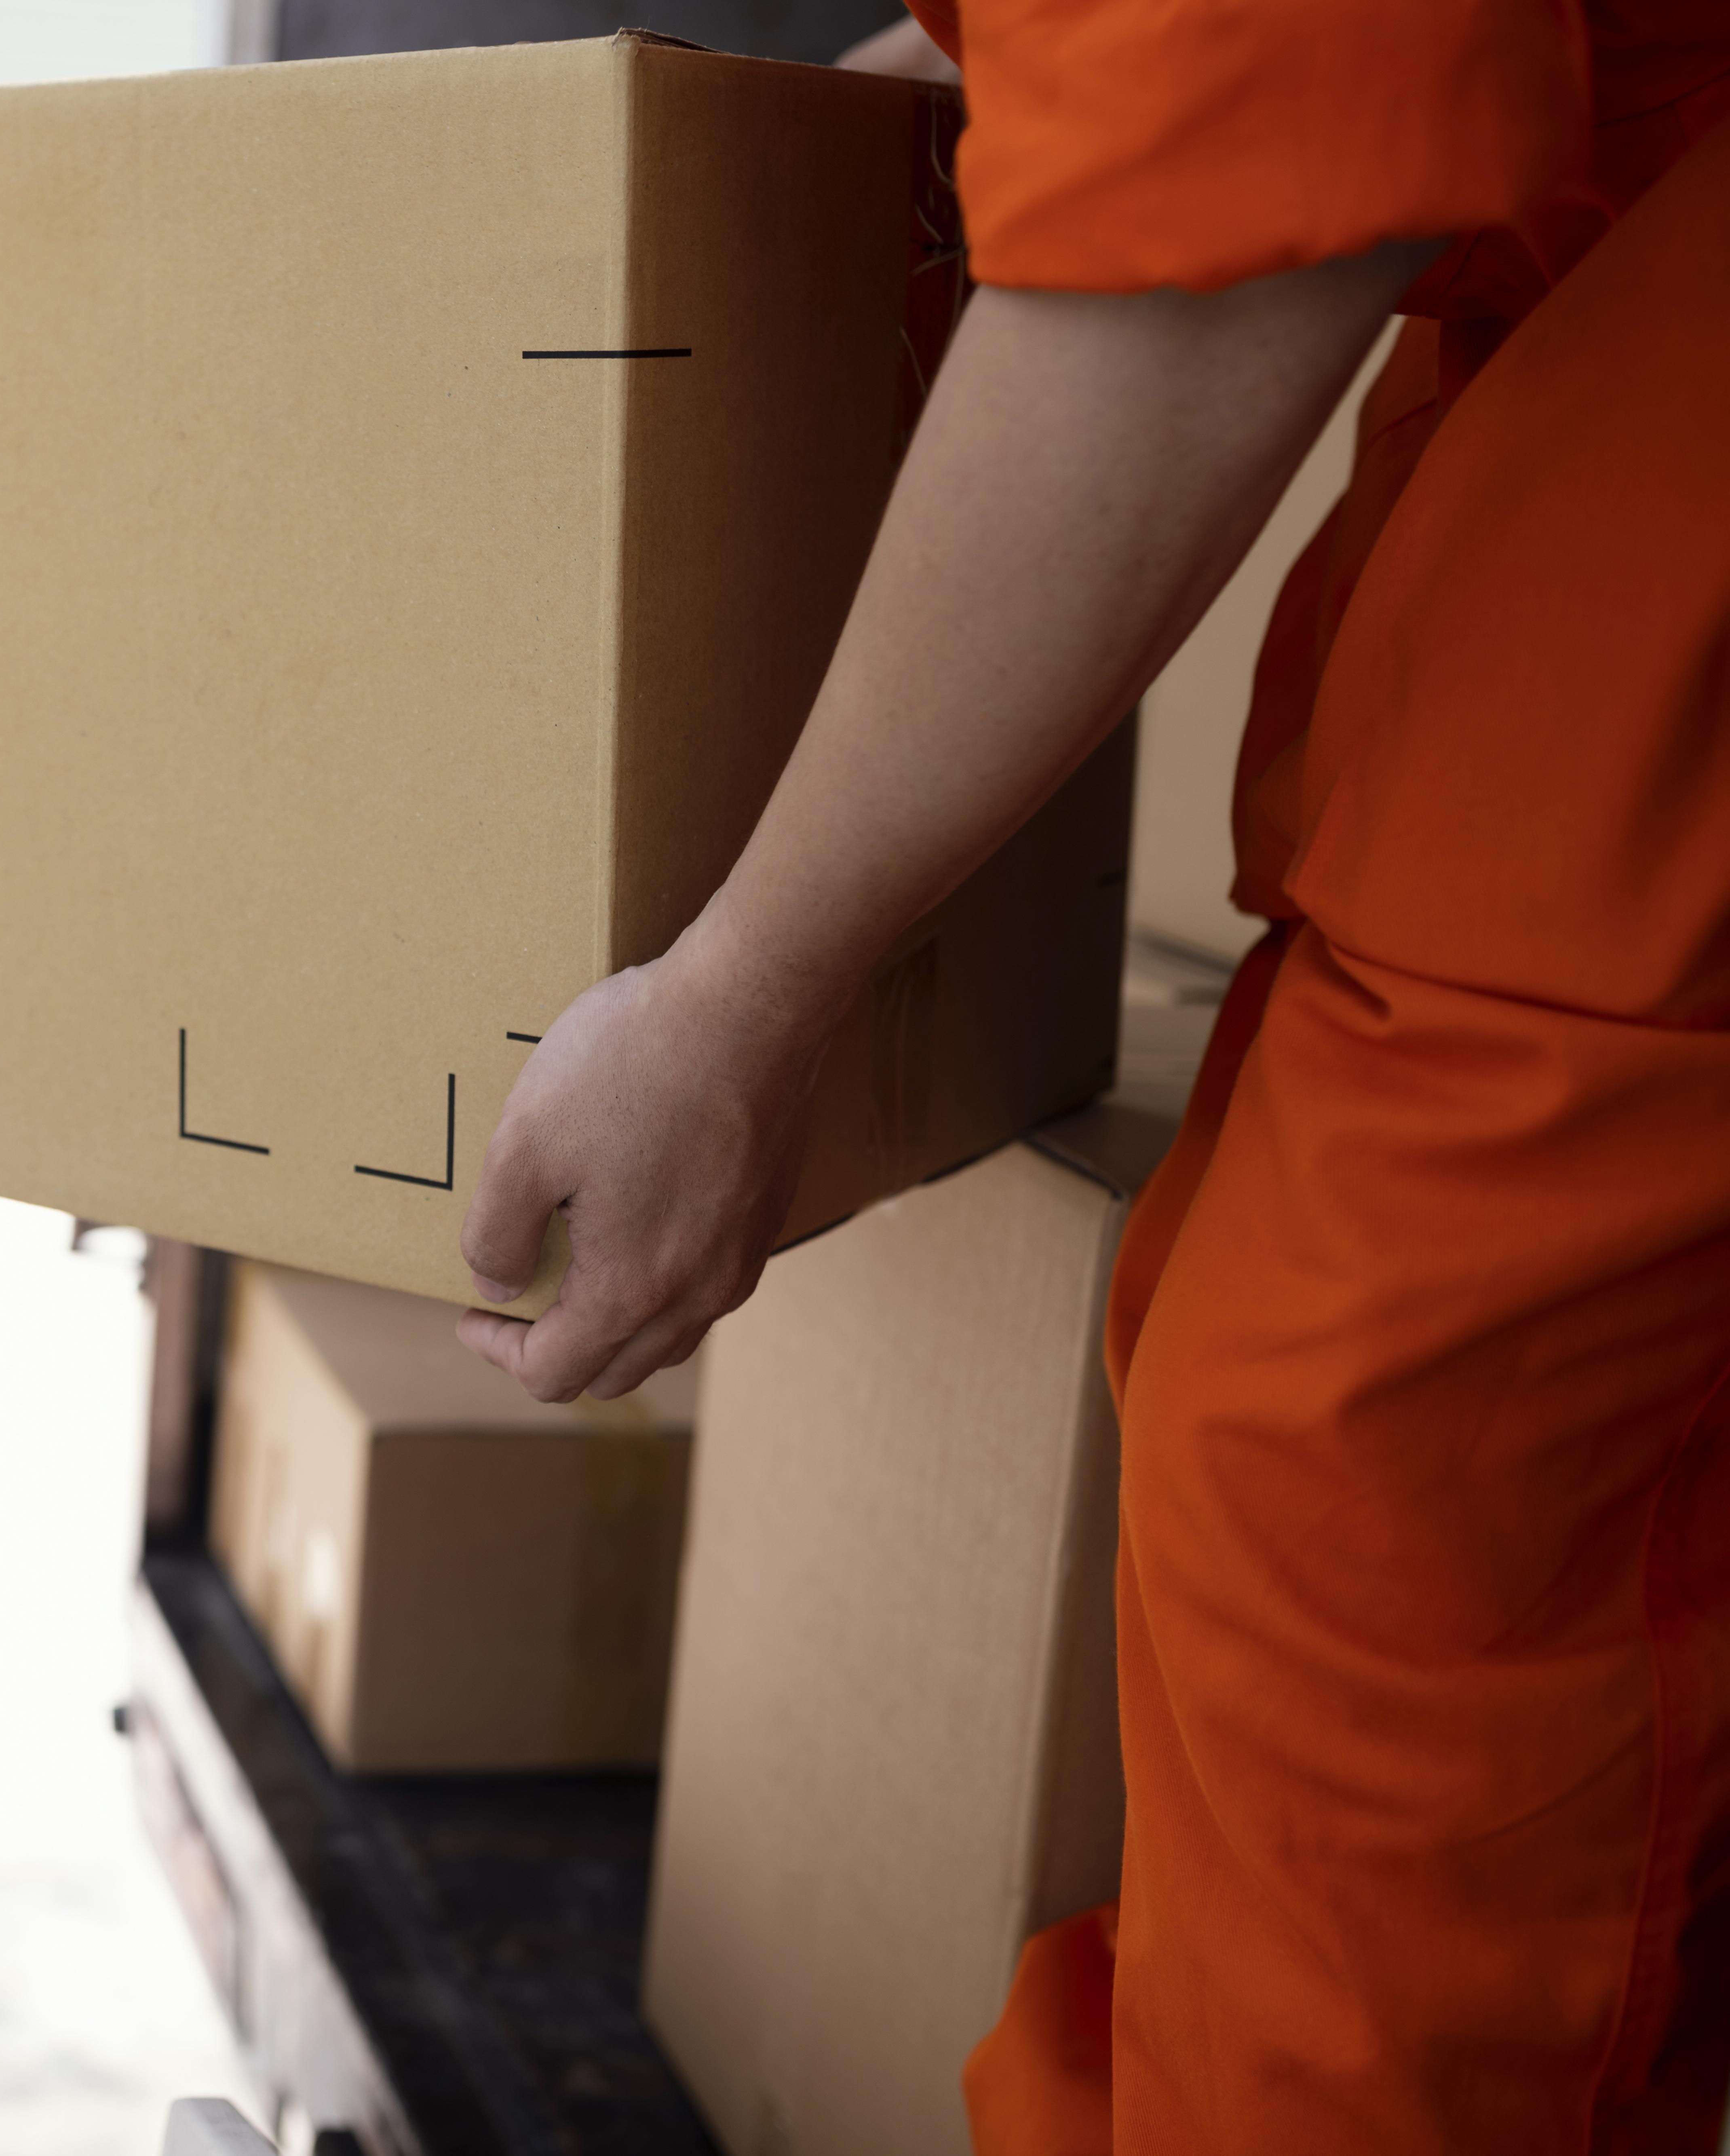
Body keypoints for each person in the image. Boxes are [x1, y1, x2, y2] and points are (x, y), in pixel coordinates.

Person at [457, 2, 1730, 2150]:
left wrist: (749, 992)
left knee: (1383, 1495)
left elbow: (1230, 203)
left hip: (1654, 412)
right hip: (1604, 342)